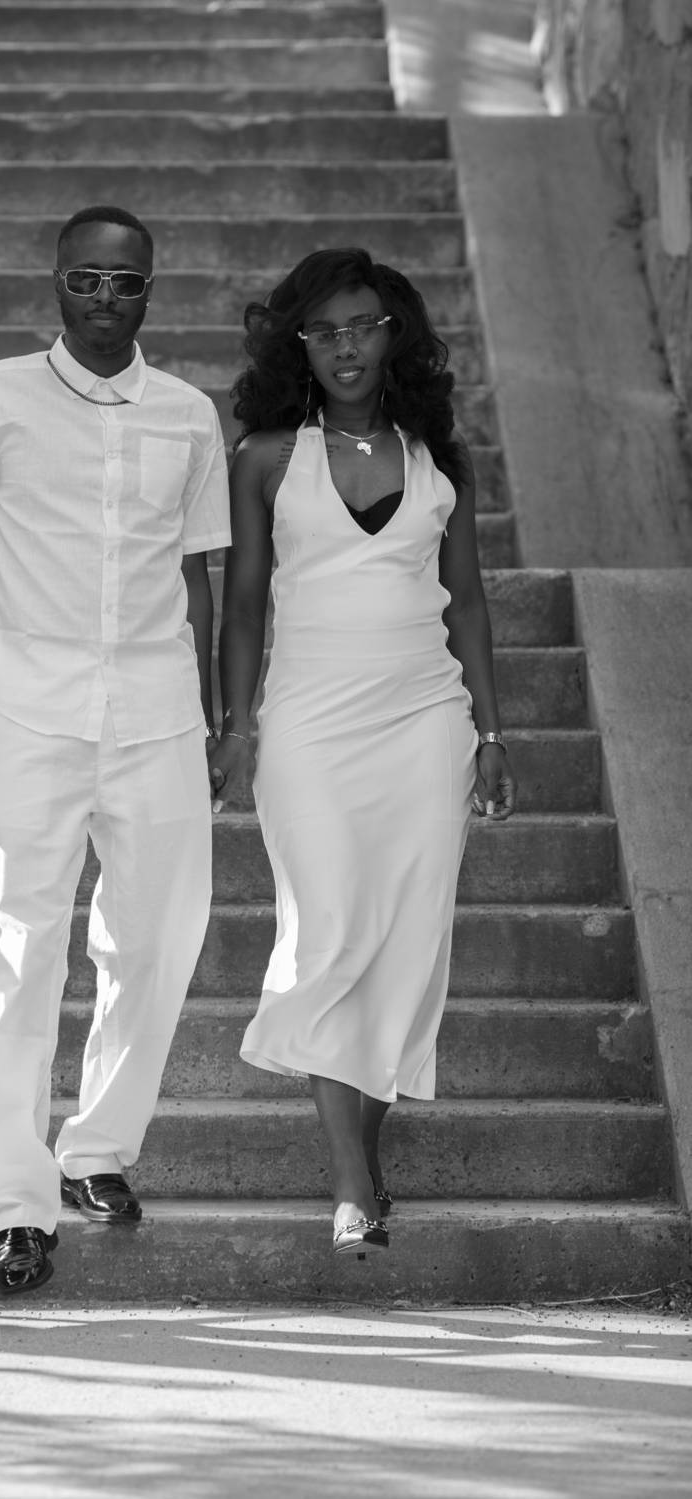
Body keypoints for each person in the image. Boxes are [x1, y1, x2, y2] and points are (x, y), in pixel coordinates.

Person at [0, 205, 231, 1294]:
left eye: (125, 282)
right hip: (31, 713)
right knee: (17, 952)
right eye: (86, 279)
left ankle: (96, 1148)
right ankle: (16, 1202)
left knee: (160, 938)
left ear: (149, 292)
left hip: (157, 712)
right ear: (56, 282)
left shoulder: (188, 414)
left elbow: (195, 575)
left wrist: (218, 716)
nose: (104, 299)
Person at [210, 248, 515, 1257]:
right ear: (298, 345)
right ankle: (351, 1185)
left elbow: (467, 603)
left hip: (426, 720)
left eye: (364, 326)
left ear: (396, 337)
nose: (346, 346)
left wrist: (490, 731)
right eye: (325, 330)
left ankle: (361, 1168)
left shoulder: (438, 460)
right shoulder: (265, 456)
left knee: (405, 947)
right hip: (307, 720)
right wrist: (237, 724)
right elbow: (243, 604)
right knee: (328, 928)